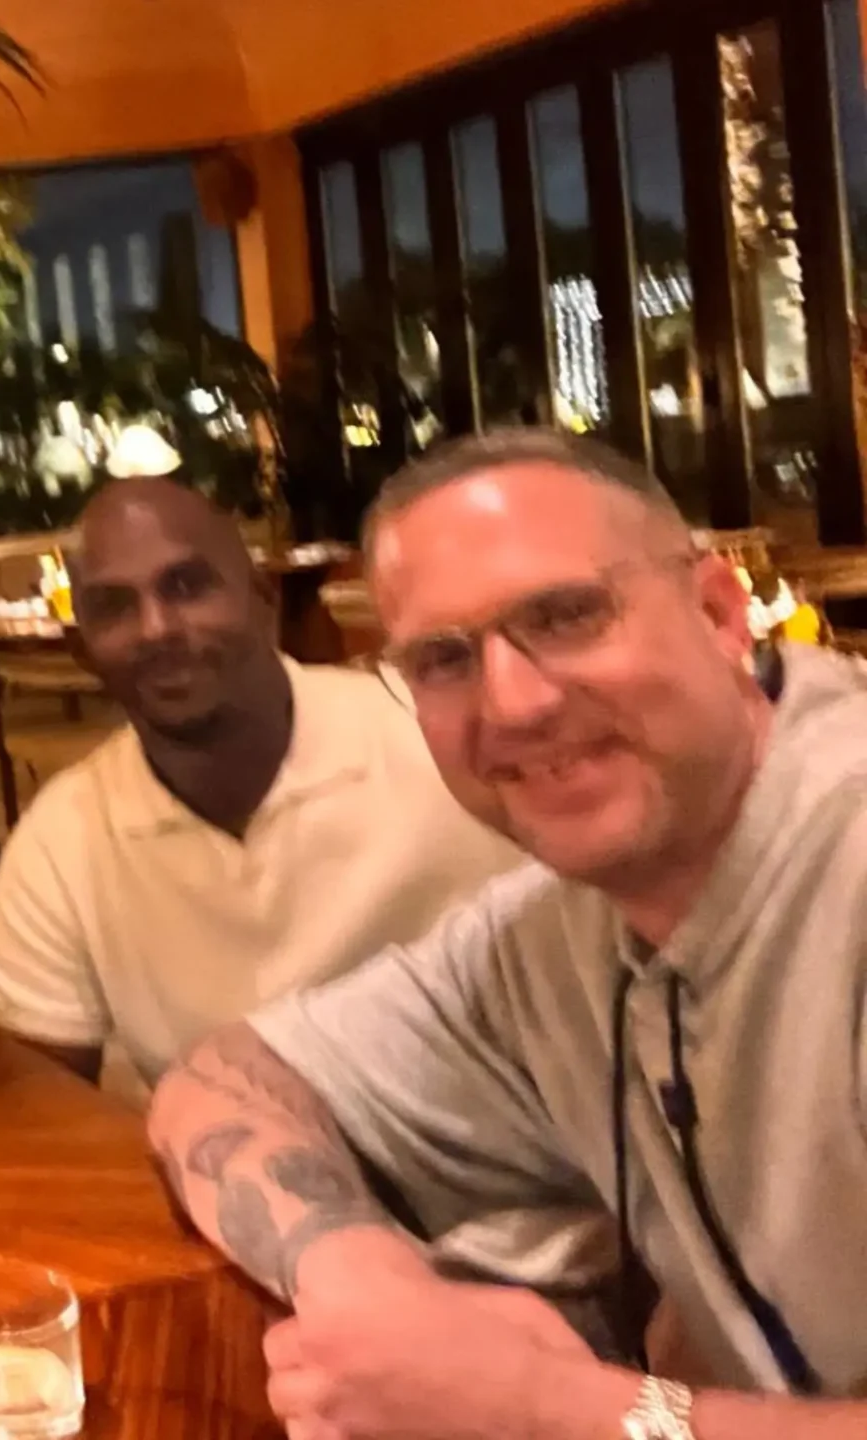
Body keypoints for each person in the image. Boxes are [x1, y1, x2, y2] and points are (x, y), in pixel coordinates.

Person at [149, 430, 867, 1436]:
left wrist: (553, 1407)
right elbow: (221, 1079)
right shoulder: (556, 932)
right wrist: (362, 1280)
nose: (514, 702)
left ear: (716, 611)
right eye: (442, 659)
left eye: (567, 615)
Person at [0, 475, 519, 1089]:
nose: (156, 628)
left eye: (187, 587)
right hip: (233, 1172)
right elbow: (48, 1113)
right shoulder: (61, 844)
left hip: (499, 1167)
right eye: (114, 607)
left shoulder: (432, 742)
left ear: (263, 600)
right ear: (82, 649)